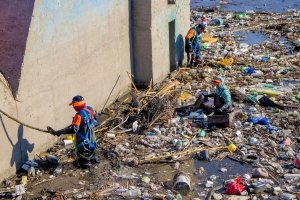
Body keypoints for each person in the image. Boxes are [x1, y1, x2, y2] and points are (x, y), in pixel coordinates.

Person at [47, 95, 99, 168]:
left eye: (73, 105)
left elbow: (74, 130)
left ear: (76, 105)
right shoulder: (90, 110)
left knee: (84, 161)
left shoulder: (78, 115)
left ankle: (86, 165)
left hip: (84, 143)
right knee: (92, 153)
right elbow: (96, 122)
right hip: (92, 140)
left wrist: (59, 132)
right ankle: (94, 159)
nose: (73, 107)